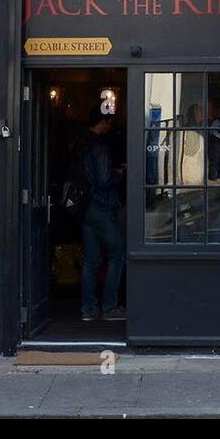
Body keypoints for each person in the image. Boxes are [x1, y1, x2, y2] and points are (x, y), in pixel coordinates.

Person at [77, 106, 125, 321]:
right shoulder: (99, 147)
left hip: (86, 207)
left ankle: (88, 309)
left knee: (92, 259)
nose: (111, 126)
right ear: (102, 122)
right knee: (118, 254)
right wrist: (119, 173)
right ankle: (109, 307)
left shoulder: (82, 144)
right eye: (109, 122)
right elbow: (104, 179)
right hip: (101, 206)